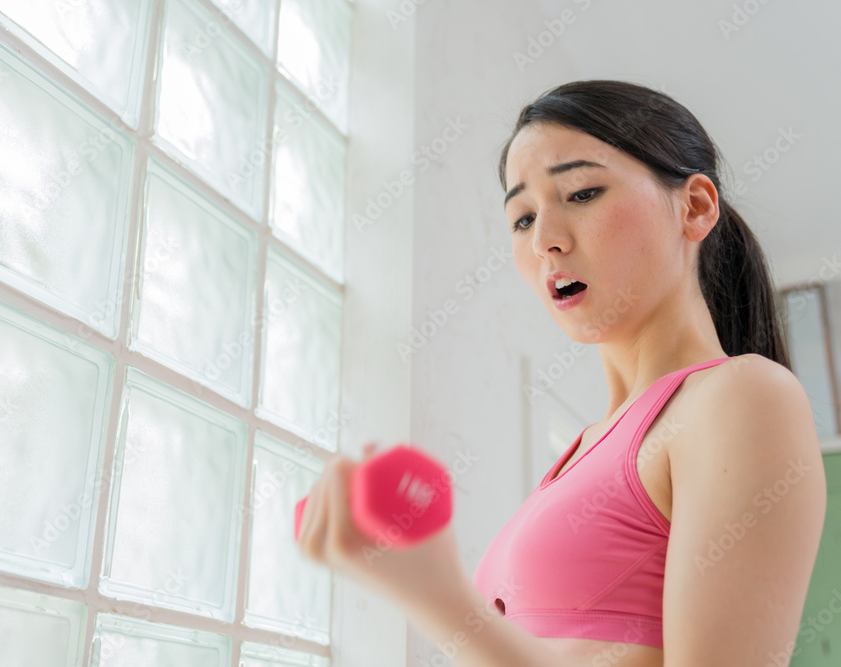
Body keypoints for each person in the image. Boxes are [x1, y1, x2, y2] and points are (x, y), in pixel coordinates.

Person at [295, 79, 827, 667]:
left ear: (696, 206)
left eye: (581, 193)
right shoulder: (581, 452)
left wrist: (439, 599)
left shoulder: (743, 395)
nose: (545, 240)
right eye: (522, 219)